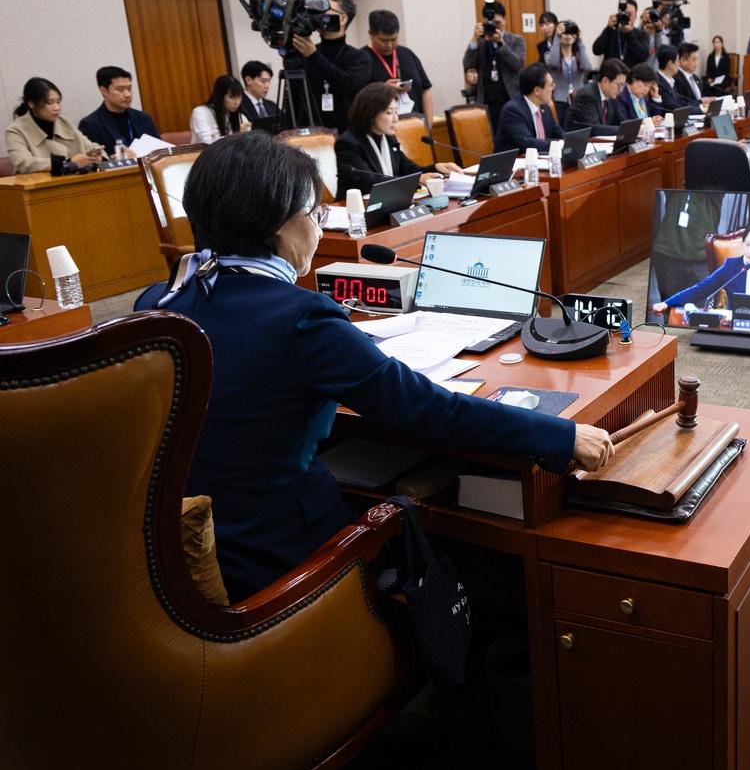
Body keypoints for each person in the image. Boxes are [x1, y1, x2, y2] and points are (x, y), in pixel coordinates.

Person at [133, 132, 610, 601]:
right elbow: (426, 409)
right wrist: (560, 435)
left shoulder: (157, 303)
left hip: (171, 553)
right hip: (279, 552)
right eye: (316, 214)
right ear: (279, 225)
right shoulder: (303, 320)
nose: (320, 228)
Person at [651, 219, 750, 317]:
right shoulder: (732, 266)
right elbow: (700, 290)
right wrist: (667, 303)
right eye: (747, 244)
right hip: (735, 327)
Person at [333, 83, 461, 193]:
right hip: (354, 209)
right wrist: (416, 180)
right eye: (389, 112)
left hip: (387, 202)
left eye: (396, 112)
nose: (396, 119)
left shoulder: (388, 138)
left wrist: (436, 167)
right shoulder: (348, 144)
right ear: (370, 114)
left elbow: (409, 169)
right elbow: (369, 182)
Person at [288, 0, 371, 131]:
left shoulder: (360, 57)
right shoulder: (306, 53)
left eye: (324, 8)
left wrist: (314, 56)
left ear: (343, 18)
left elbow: (346, 84)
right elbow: (295, 97)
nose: (318, 14)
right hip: (310, 133)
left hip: (346, 134)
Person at [5, 78, 104, 175]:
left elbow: (88, 145)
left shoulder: (64, 122)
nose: (57, 108)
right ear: (31, 103)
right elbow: (24, 163)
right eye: (49, 103)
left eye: (58, 102)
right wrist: (68, 163)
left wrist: (96, 155)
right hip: (38, 183)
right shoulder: (15, 131)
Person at [464, 0, 526, 129]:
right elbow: (467, 63)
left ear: (504, 20)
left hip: (509, 99)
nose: (494, 27)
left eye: (498, 23)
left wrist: (501, 43)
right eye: (491, 24)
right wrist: (474, 39)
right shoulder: (481, 42)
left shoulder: (516, 40)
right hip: (486, 101)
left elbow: (517, 65)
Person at [363, 9, 434, 124]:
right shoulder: (361, 59)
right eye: (383, 40)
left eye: (394, 39)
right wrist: (382, 90)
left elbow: (426, 90)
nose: (389, 45)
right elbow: (357, 101)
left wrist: (428, 126)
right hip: (381, 128)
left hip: (415, 125)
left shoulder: (407, 54)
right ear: (371, 34)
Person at [78, 66, 158, 156]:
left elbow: (160, 150)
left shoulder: (144, 118)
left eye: (129, 89)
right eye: (120, 89)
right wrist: (114, 160)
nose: (127, 94)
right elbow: (91, 160)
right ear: (104, 91)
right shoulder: (90, 124)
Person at [494, 63, 566, 154]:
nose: (553, 89)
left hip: (540, 158)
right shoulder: (512, 111)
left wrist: (569, 140)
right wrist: (558, 144)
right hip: (515, 160)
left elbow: (557, 131)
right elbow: (527, 143)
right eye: (551, 85)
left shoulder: (544, 107)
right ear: (537, 91)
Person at [545, 18, 591, 129]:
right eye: (565, 33)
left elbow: (587, 67)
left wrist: (580, 40)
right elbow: (554, 63)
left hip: (579, 99)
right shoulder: (549, 55)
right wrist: (556, 36)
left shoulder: (579, 56)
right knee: (563, 129)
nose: (568, 36)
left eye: (571, 33)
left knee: (579, 128)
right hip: (560, 100)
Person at [565, 58, 629, 134]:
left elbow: (620, 120)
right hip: (578, 139)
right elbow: (595, 129)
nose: (621, 90)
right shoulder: (587, 96)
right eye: (619, 85)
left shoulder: (611, 96)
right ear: (605, 81)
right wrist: (623, 130)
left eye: (623, 85)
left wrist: (633, 128)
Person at [191, 75, 248, 145]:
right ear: (220, 97)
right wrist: (238, 136)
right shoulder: (200, 113)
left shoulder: (239, 115)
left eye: (239, 97)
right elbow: (208, 142)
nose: (237, 102)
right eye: (232, 97)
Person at [592, 0, 649, 67]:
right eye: (625, 14)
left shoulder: (641, 34)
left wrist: (629, 34)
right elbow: (596, 50)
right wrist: (608, 28)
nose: (627, 17)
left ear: (635, 16)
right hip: (611, 72)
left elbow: (643, 56)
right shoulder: (611, 31)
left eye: (629, 14)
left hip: (632, 72)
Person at [238, 60, 281, 126]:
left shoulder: (272, 105)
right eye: (263, 81)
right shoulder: (239, 106)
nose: (267, 86)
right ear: (248, 80)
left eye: (269, 81)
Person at [655, 45, 684, 111]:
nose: (679, 64)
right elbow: (672, 106)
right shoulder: (658, 83)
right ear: (670, 63)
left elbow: (681, 102)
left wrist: (700, 106)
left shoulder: (671, 80)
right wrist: (700, 109)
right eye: (677, 61)